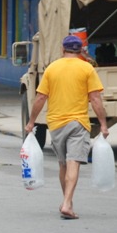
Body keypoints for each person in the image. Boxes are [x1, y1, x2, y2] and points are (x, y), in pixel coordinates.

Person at [25, 34, 109, 219]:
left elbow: (40, 98)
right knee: (74, 163)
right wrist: (103, 124)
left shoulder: (52, 68)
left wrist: (31, 121)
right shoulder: (87, 68)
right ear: (80, 51)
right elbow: (95, 99)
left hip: (55, 123)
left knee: (63, 164)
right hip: (78, 122)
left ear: (63, 50)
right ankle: (67, 203)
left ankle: (66, 201)